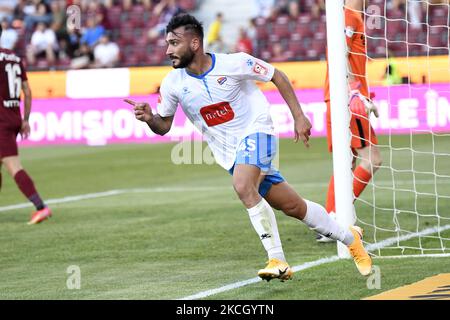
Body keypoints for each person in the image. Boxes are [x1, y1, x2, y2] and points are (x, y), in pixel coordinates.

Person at [125, 14, 372, 280]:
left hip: (258, 130)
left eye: (174, 43)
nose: (168, 50)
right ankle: (350, 238)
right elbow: (164, 126)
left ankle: (277, 259)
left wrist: (299, 116)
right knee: (292, 206)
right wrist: (151, 118)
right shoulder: (172, 84)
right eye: (167, 44)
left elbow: (276, 75)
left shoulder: (234, 63)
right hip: (230, 153)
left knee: (243, 186)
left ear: (194, 43)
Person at [320, 0, 382, 242]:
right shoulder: (348, 15)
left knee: (346, 162)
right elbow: (339, 53)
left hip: (341, 98)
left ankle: (328, 221)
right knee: (372, 159)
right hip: (348, 100)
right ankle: (334, 219)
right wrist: (354, 90)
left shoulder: (350, 16)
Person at [0, 24, 52, 224]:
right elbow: (27, 92)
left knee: (13, 165)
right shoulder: (14, 57)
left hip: (1, 120)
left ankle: (41, 207)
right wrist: (25, 119)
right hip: (13, 116)